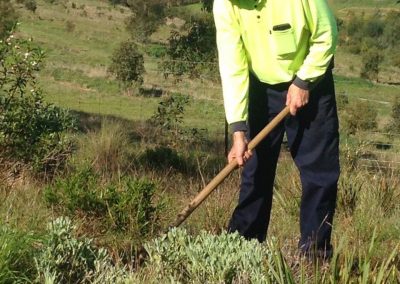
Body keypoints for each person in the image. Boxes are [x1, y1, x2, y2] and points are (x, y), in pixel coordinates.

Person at [213, 0, 340, 259]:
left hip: (311, 83)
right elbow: (232, 65)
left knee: (319, 174)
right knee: (254, 171)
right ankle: (240, 252)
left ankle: (314, 257)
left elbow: (326, 34)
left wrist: (304, 80)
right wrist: (238, 130)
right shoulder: (225, 4)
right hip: (260, 88)